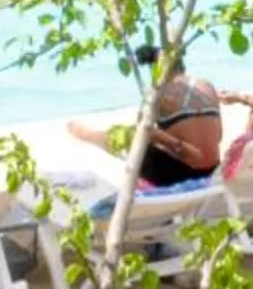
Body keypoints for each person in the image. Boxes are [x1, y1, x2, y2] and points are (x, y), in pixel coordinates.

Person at [63, 42, 222, 189]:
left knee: (128, 137)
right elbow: (218, 135)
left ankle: (87, 135)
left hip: (182, 175)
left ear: (157, 69)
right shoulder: (206, 86)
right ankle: (88, 134)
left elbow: (142, 131)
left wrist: (161, 136)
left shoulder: (161, 93)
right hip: (213, 170)